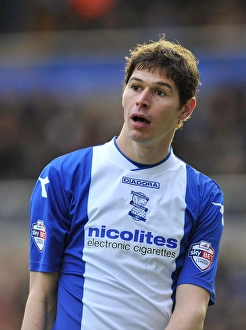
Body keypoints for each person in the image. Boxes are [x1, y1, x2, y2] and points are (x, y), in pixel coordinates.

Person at [21, 35, 224, 330]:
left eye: (160, 92)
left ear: (186, 109)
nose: (142, 99)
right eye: (136, 86)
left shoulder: (203, 196)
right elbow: (40, 297)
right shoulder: (63, 176)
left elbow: (192, 311)